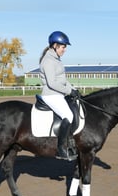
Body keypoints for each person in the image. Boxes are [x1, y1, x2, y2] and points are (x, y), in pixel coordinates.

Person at [39, 31, 80, 161]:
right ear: (55, 45)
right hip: (51, 94)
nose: (65, 49)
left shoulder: (56, 60)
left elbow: (62, 80)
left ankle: (71, 142)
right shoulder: (48, 61)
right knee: (68, 115)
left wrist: (73, 89)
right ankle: (61, 148)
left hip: (58, 94)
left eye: (65, 47)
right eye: (63, 46)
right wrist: (68, 92)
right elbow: (52, 83)